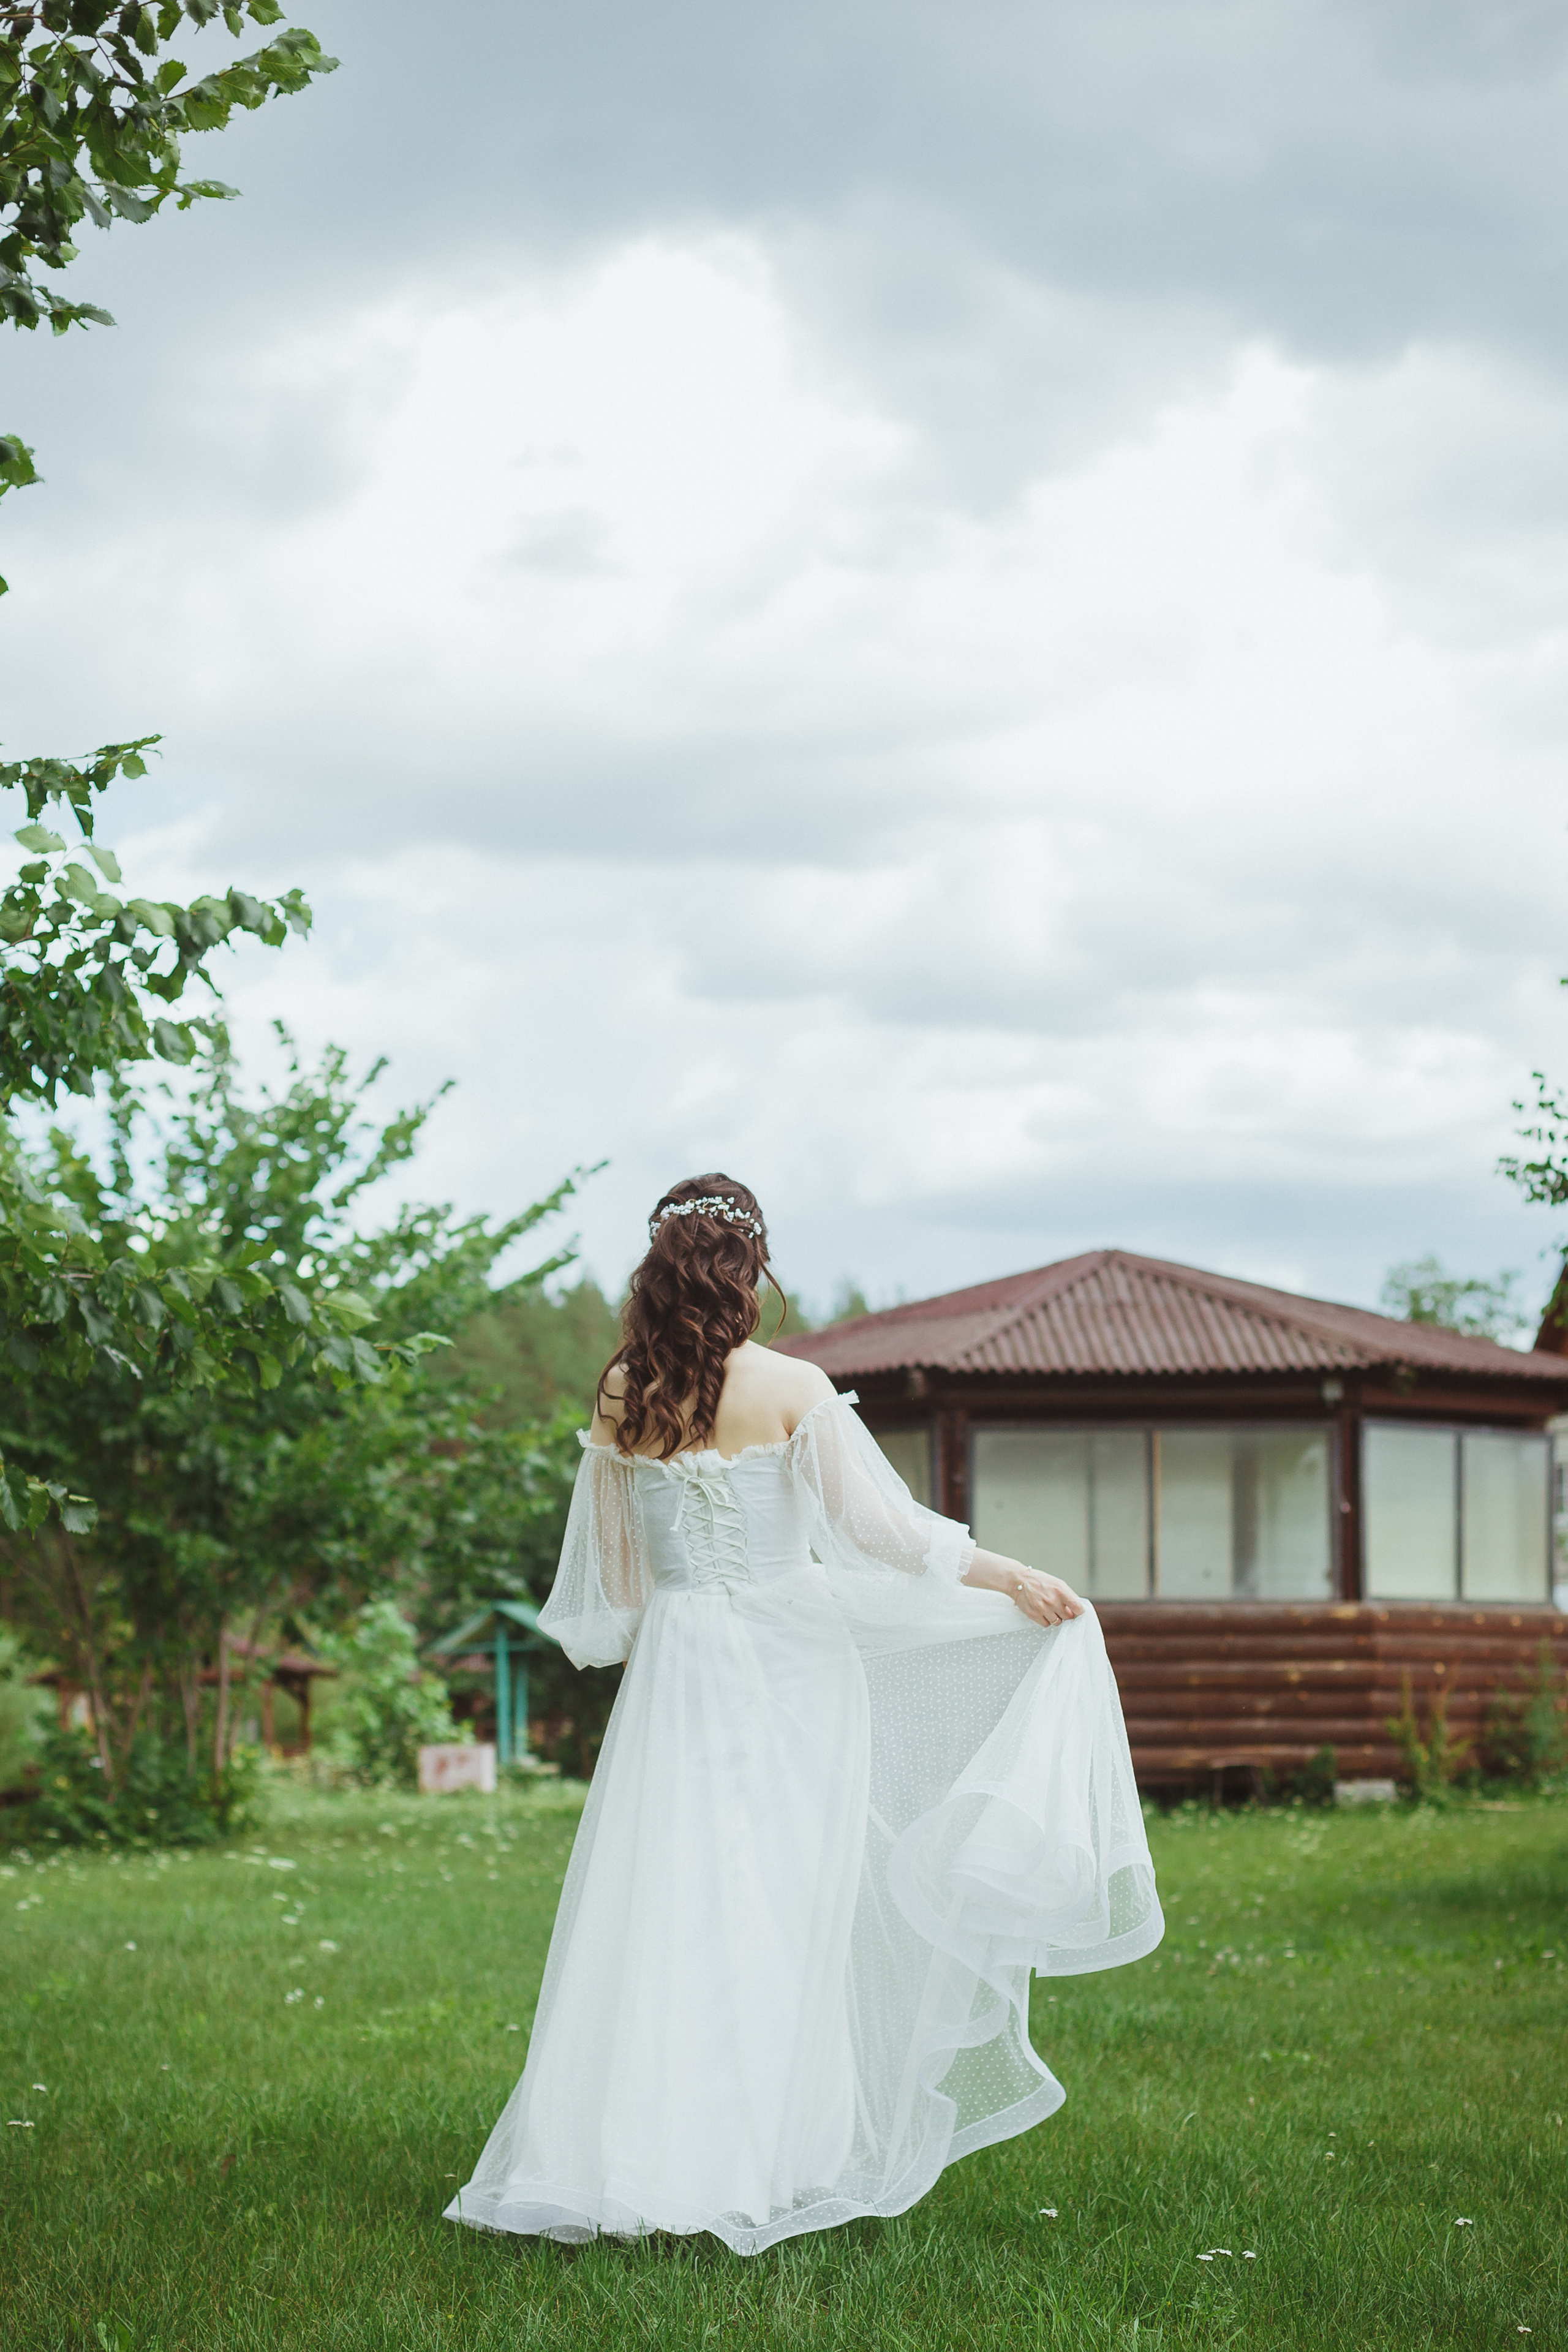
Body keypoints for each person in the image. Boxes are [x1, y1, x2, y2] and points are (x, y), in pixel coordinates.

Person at [446, 1175, 1163, 2256]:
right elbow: (879, 1534)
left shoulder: (623, 1392)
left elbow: (620, 1582)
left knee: (669, 1899)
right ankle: (774, 2161)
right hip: (797, 1666)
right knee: (791, 1906)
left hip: (680, 1669)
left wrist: (679, 1640)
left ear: (656, 1270)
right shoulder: (794, 1386)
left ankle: (643, 2156)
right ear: (748, 1270)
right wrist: (1008, 1574)